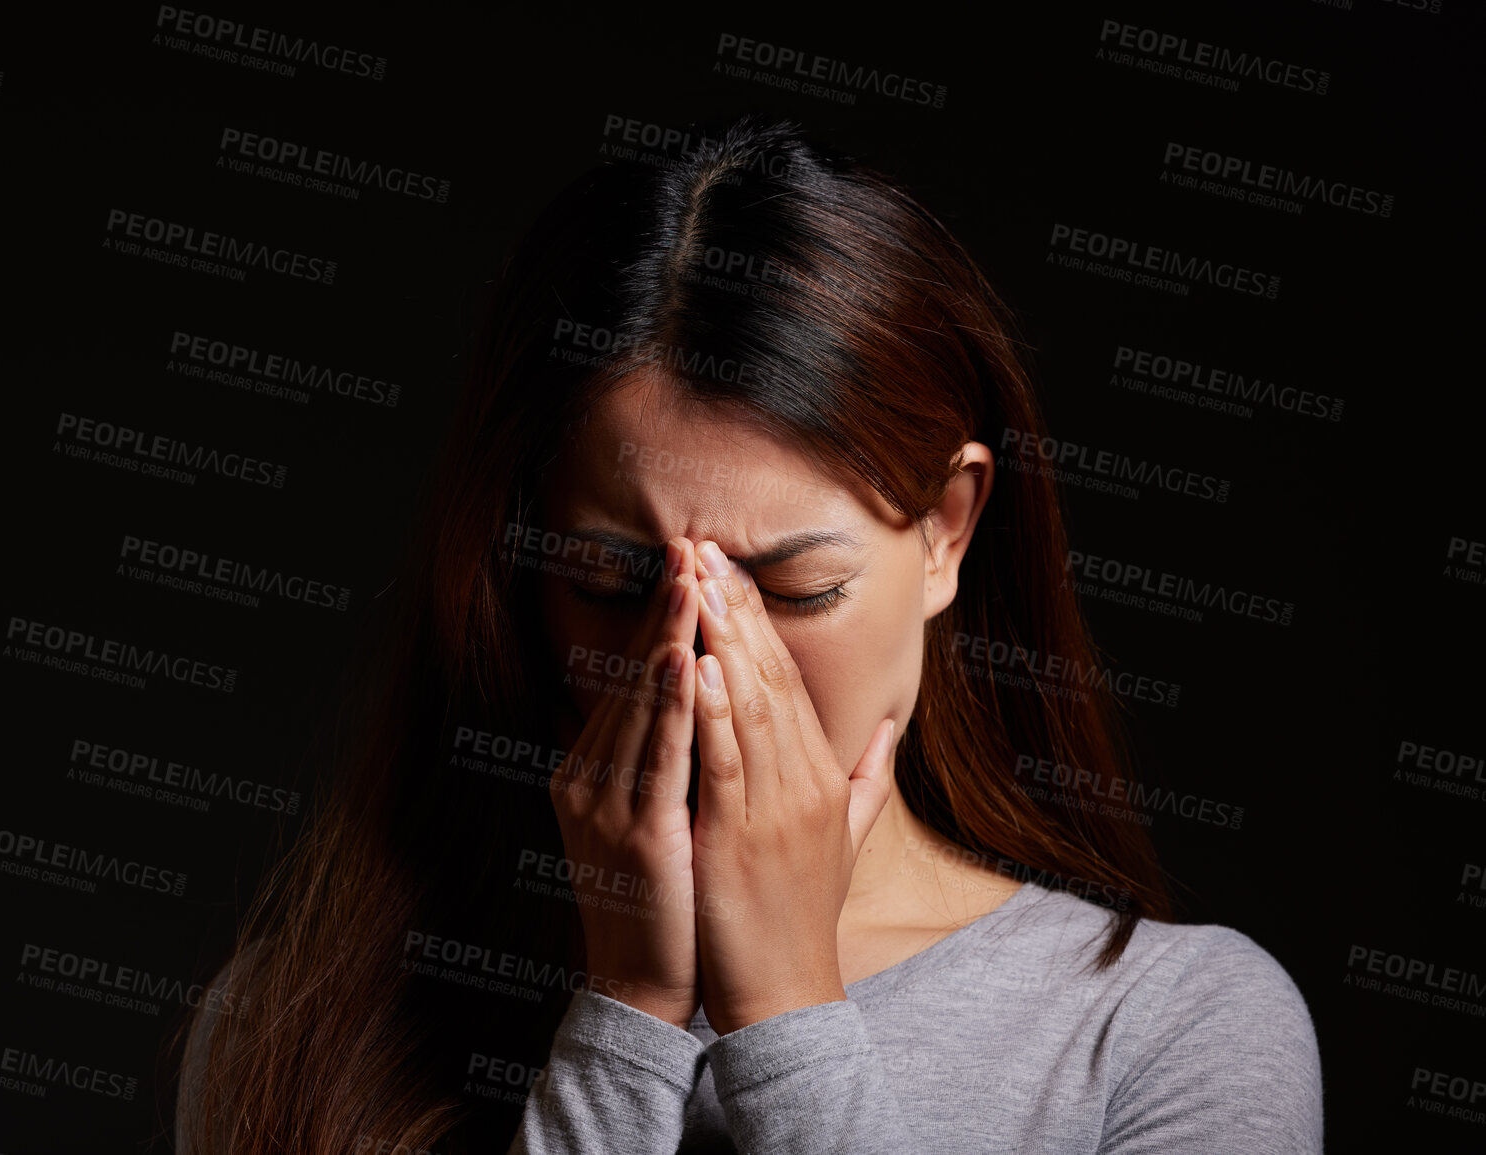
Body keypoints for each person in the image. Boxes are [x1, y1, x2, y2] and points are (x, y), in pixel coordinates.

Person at [171, 116, 1323, 1154]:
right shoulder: (299, 1028)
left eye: (798, 586)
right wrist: (624, 1021)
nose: (707, 662)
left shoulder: (1170, 1028)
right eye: (617, 585)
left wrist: (788, 1018)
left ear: (945, 533)